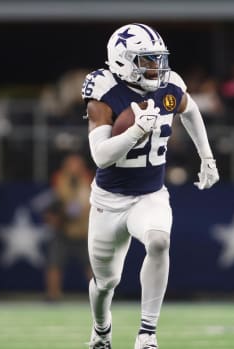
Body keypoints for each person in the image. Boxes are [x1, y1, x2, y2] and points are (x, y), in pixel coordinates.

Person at [81, 23, 219, 349]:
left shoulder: (168, 86)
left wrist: (207, 157)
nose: (156, 67)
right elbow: (100, 157)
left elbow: (191, 109)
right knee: (105, 282)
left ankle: (147, 333)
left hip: (150, 194)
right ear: (122, 61)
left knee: (158, 241)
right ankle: (101, 329)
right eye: (146, 60)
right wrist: (132, 133)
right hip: (109, 200)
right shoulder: (104, 93)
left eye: (158, 59)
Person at [44, 153, 93, 301]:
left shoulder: (89, 181)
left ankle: (99, 296)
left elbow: (87, 205)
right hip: (63, 230)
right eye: (70, 165)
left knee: (93, 266)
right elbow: (55, 204)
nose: (73, 168)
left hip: (84, 231)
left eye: (76, 165)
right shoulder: (59, 180)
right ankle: (53, 295)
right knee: (54, 263)